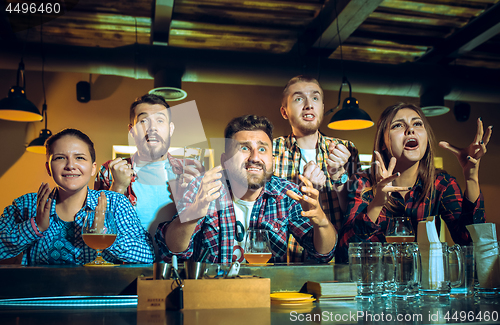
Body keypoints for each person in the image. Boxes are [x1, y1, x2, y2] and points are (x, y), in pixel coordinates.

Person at [156, 115, 337, 263]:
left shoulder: (286, 193)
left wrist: (321, 221)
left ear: (272, 159)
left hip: (268, 295)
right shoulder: (204, 187)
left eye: (263, 149)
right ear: (224, 160)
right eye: (244, 148)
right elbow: (172, 251)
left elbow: (323, 254)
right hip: (212, 295)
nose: (255, 157)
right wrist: (192, 214)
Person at [337, 103, 492, 262]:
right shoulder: (363, 182)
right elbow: (345, 252)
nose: (410, 129)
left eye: (417, 123)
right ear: (383, 142)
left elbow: (471, 243)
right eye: (398, 125)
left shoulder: (442, 184)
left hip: (423, 285)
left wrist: (471, 177)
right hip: (377, 284)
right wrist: (377, 203)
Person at [0, 128, 154, 265]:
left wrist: (105, 234)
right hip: (42, 295)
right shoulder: (26, 204)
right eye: (60, 158)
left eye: (80, 158)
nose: (70, 165)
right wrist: (35, 227)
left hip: (101, 296)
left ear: (93, 168)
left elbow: (147, 254)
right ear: (48, 167)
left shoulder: (115, 203)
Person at [273, 75, 360, 262]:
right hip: (286, 262)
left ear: (321, 107)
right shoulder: (269, 151)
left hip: (338, 262)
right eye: (298, 99)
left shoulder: (346, 149)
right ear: (284, 111)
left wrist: (338, 175)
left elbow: (355, 214)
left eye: (315, 98)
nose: (308, 105)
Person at [94, 94, 187, 259]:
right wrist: (117, 188)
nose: (152, 128)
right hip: (125, 269)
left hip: (179, 270)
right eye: (143, 121)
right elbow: (98, 230)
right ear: (131, 130)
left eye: (160, 120)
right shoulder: (109, 171)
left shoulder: (189, 172)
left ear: (170, 129)